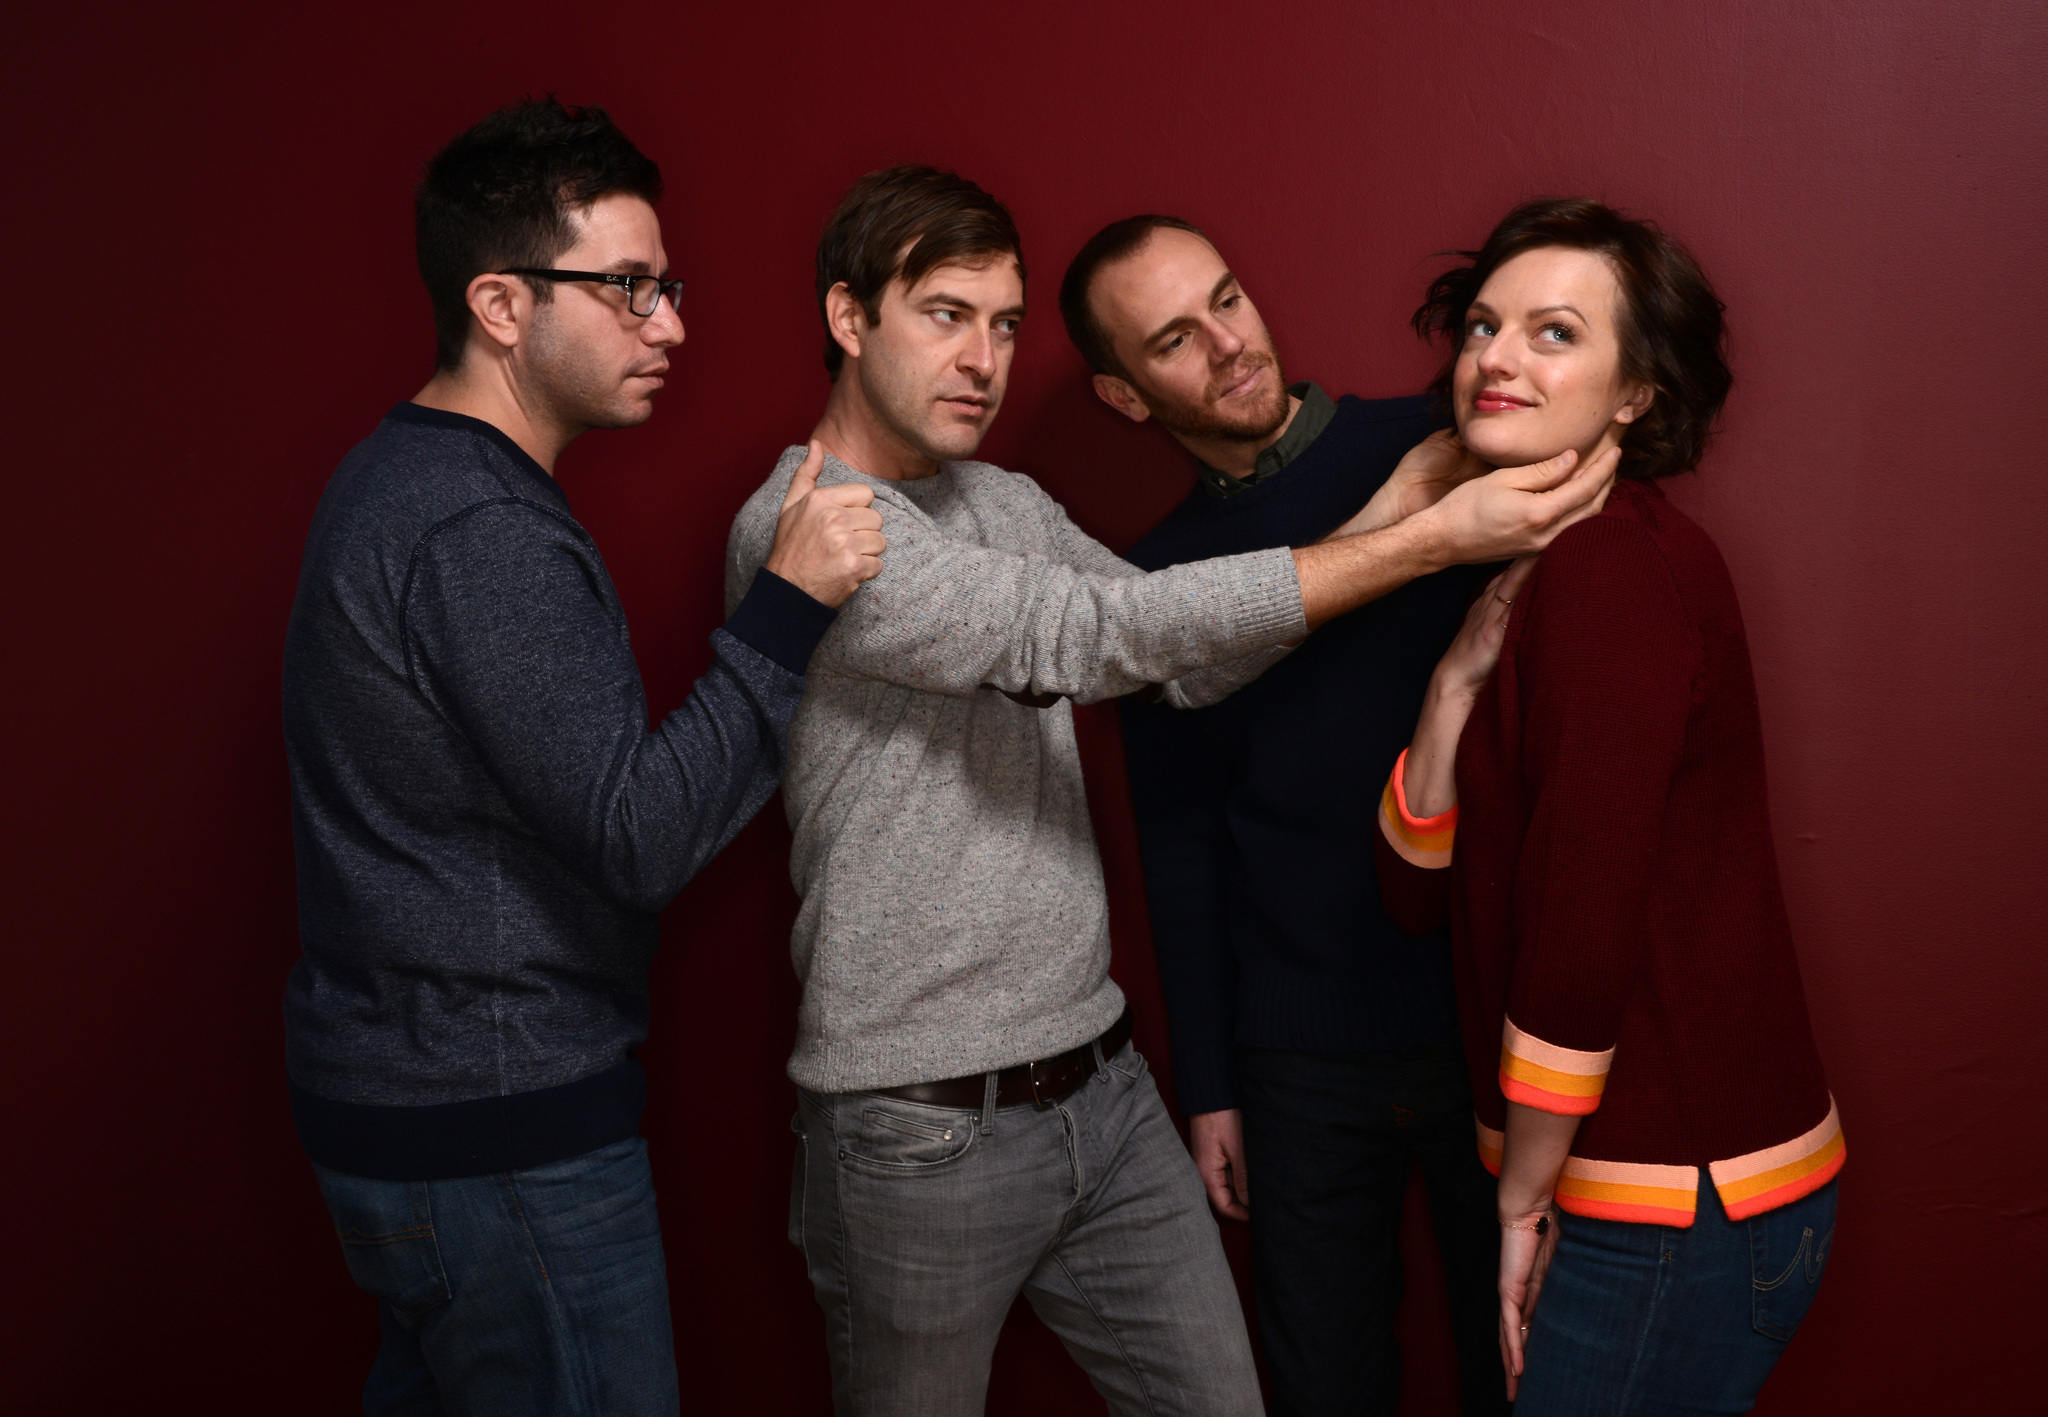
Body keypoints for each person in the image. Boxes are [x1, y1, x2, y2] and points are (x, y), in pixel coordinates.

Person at [725, 165, 1619, 1417]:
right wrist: (1417, 540)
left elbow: (1179, 666)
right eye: (943, 314)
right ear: (847, 317)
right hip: (918, 1128)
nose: (980, 356)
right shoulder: (809, 527)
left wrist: (1389, 508)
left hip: (1097, 1087)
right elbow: (1091, 640)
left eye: (1000, 321)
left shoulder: (1005, 501)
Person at [281, 98, 884, 1417]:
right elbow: (641, 835)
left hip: (419, 1121)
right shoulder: (479, 527)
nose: (670, 324)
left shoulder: (405, 481)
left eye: (665, 286)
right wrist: (786, 609)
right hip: (496, 1141)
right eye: (628, 288)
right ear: (500, 304)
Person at [1373, 198, 1843, 1414]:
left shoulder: (1612, 574)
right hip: (1641, 1179)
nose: (1497, 355)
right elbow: (1414, 895)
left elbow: (1578, 932)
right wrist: (1449, 686)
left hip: (1666, 1196)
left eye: (1554, 333)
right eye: (1483, 325)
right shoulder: (1531, 570)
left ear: (1635, 392)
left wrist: (1521, 1198)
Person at [1060, 215, 1511, 1416]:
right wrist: (1210, 1081)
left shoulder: (1437, 440)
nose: (1227, 344)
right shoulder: (1150, 587)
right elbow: (1180, 840)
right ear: (1121, 392)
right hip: (1299, 1057)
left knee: (1525, 1367)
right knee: (1321, 1388)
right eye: (1173, 339)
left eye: (1226, 299)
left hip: (1485, 1017)